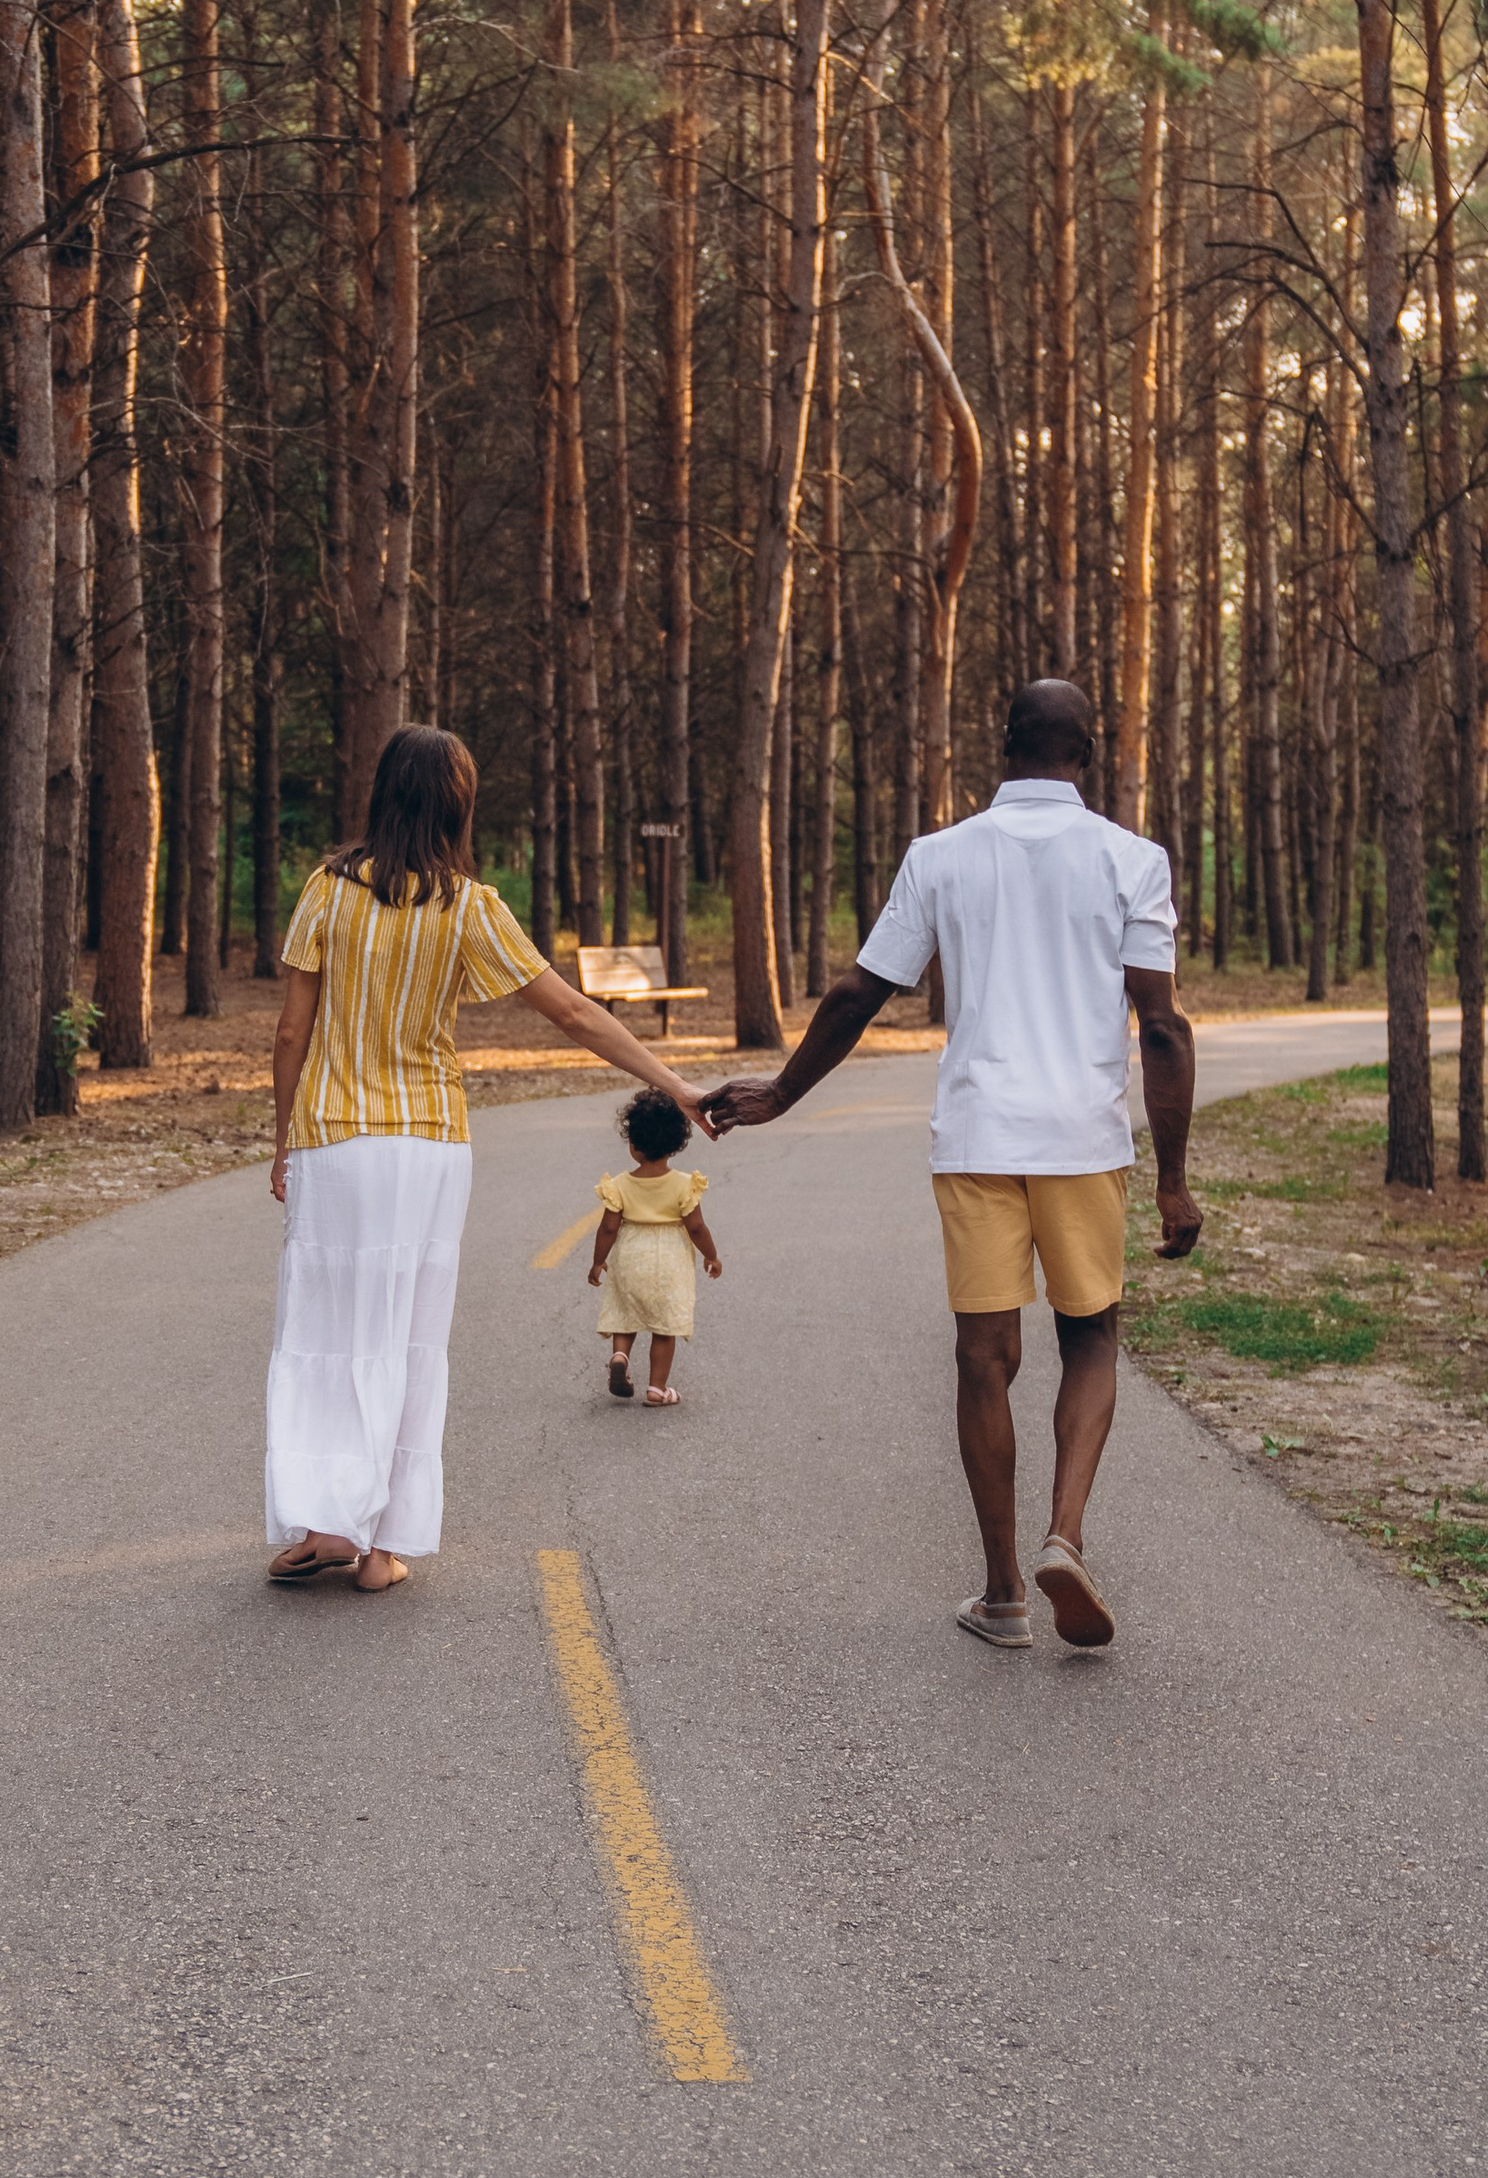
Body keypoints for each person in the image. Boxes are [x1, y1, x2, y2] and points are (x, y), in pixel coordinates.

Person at [706, 679, 1199, 1653]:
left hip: (978, 1136)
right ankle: (1064, 1534)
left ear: (1002, 746)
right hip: (1081, 1141)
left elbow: (860, 990)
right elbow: (1163, 1026)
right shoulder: (1131, 860)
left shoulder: (940, 856)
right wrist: (1174, 1179)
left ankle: (1003, 1593)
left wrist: (784, 1093)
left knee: (984, 1358)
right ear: (1087, 754)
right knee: (1091, 1337)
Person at [265, 726, 715, 1594]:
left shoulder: (327, 889)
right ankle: (381, 1548)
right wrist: (677, 1085)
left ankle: (326, 1527)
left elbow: (292, 1030)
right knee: (408, 1337)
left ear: (382, 791)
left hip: (335, 1138)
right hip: (429, 1146)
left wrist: (283, 1139)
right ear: (459, 805)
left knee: (328, 1334)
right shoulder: (469, 907)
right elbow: (575, 1014)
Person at [588, 1086, 723, 1407]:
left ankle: (620, 1356)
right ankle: (657, 1389)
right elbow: (696, 1227)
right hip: (670, 1261)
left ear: (633, 1144)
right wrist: (711, 1255)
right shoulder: (684, 1184)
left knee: (626, 1314)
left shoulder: (620, 1185)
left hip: (630, 1256)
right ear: (676, 1144)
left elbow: (608, 1228)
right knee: (664, 1326)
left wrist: (597, 1262)